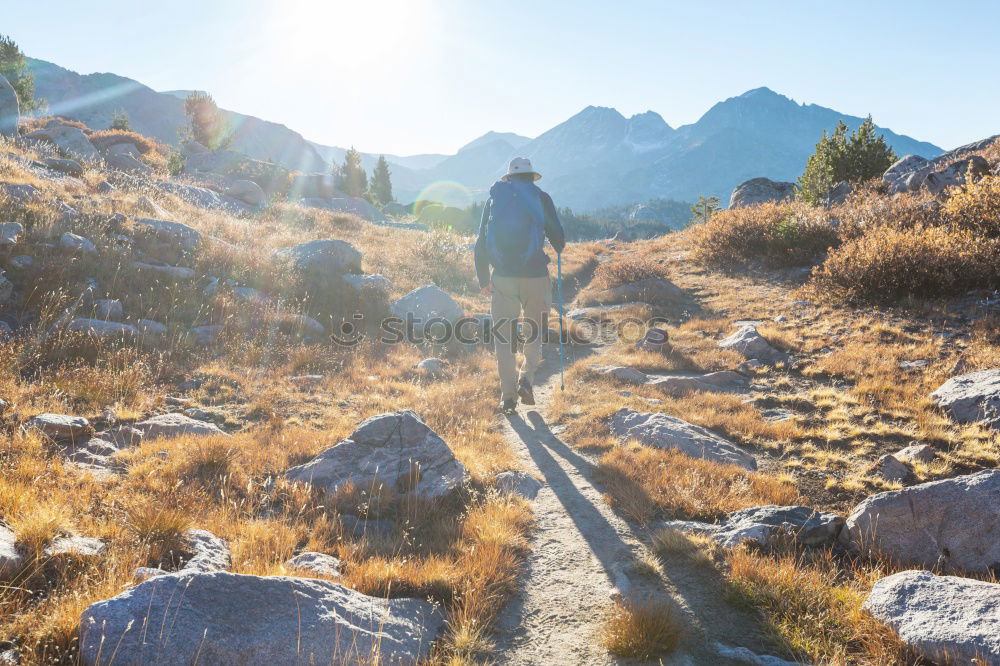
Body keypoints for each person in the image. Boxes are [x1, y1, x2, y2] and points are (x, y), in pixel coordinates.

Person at [474, 157, 565, 414]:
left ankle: (508, 397)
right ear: (531, 176)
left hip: (503, 277)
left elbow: (481, 243)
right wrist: (556, 244)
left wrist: (483, 279)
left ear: (509, 177)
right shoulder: (541, 197)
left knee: (504, 338)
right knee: (534, 331)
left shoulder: (494, 200)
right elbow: (559, 238)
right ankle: (526, 378)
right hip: (536, 275)